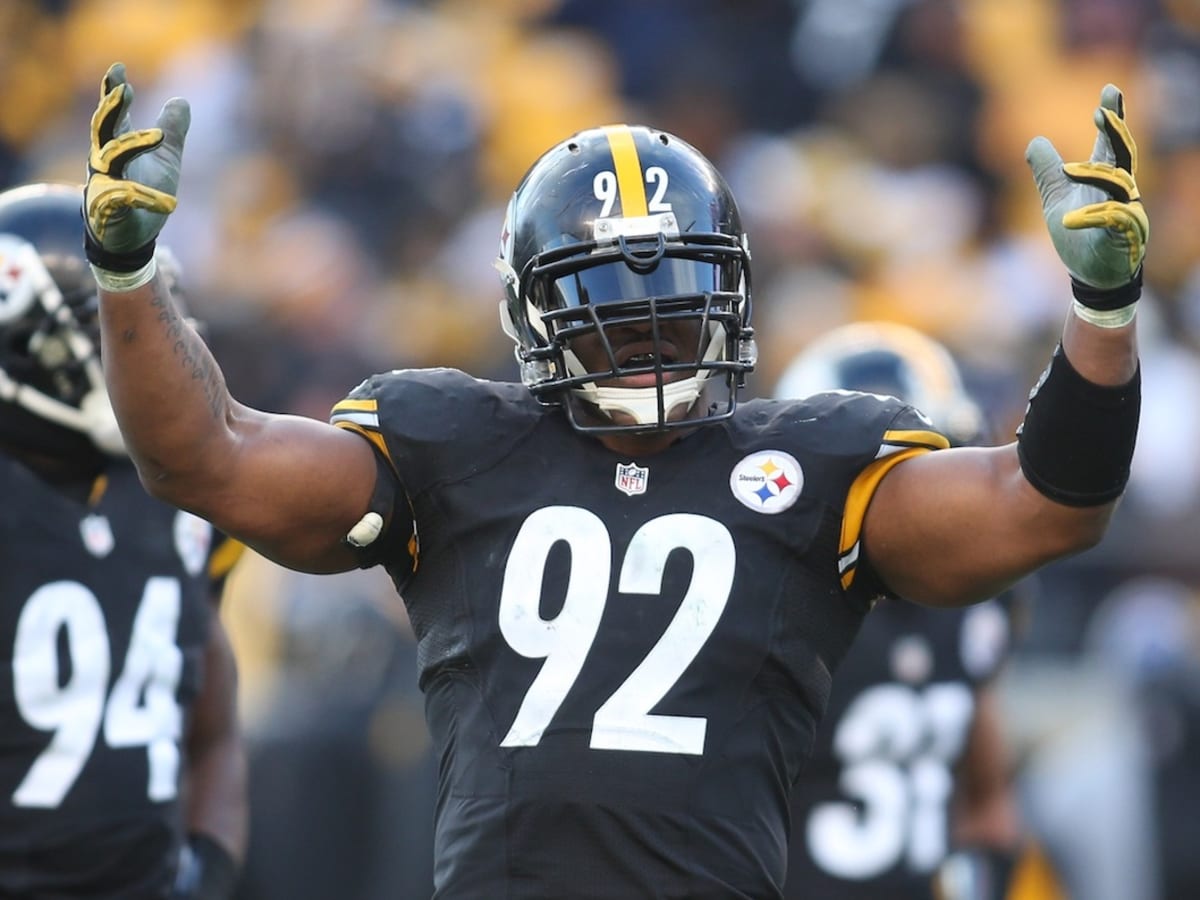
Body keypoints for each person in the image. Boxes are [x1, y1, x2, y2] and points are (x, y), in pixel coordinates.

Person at [80, 60, 1145, 899]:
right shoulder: (454, 443)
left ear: (732, 296)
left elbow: (1046, 507)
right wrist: (128, 283)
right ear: (531, 316)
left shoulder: (812, 467)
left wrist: (1101, 320)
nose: (648, 333)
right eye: (610, 306)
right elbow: (203, 456)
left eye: (680, 297)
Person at [0, 181, 247, 899]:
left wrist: (209, 867)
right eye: (107, 327)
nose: (148, 354)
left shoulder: (181, 498)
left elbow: (217, 729)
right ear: (21, 338)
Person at [773, 321, 1030, 899]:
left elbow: (987, 801)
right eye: (881, 487)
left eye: (930, 478)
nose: (915, 508)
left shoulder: (974, 607)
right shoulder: (777, 610)